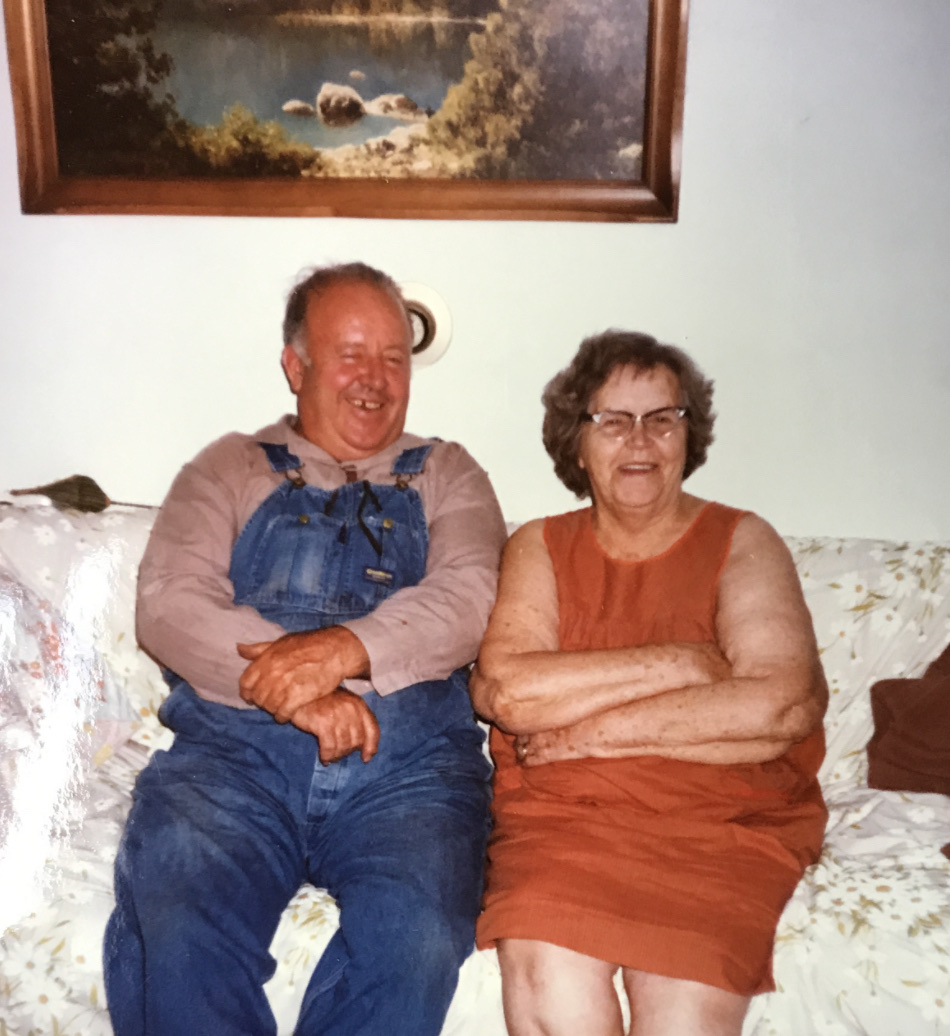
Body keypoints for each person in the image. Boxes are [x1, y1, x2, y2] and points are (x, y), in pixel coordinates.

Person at [103, 262, 507, 1036]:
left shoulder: (451, 473)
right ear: (297, 366)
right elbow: (169, 605)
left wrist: (341, 650)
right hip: (232, 759)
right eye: (351, 354)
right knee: (179, 926)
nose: (376, 379)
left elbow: (471, 597)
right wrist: (299, 688)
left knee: (417, 943)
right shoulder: (227, 466)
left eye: (394, 357)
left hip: (411, 771)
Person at [471, 331, 828, 1036]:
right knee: (551, 988)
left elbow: (781, 702)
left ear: (688, 437)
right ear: (577, 442)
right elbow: (512, 695)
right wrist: (686, 663)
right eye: (614, 420)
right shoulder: (539, 546)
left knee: (683, 1020)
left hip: (719, 826)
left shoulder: (743, 540)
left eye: (663, 418)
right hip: (566, 821)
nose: (640, 440)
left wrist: (587, 734)